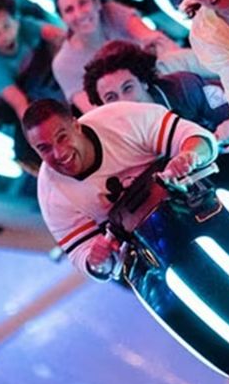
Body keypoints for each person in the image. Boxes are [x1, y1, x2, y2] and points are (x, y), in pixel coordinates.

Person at [24, 98, 218, 278]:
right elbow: (84, 256)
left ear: (76, 126)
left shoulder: (121, 119)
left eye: (62, 137)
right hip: (151, 255)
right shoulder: (51, 195)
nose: (58, 153)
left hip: (200, 202)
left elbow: (197, 138)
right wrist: (98, 259)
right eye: (44, 148)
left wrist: (188, 156)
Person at [49, 0, 188, 110]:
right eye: (69, 10)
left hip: (154, 86)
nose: (79, 14)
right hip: (122, 114)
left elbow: (152, 38)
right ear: (62, 19)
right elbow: (94, 112)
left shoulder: (112, 11)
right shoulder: (63, 65)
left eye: (83, 3)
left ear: (97, 3)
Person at [81, 40, 229, 132]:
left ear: (143, 82)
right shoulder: (117, 137)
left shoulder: (185, 87)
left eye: (128, 88)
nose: (124, 101)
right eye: (111, 97)